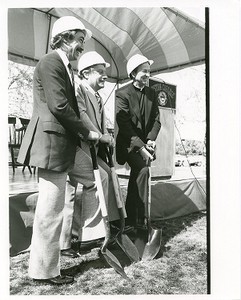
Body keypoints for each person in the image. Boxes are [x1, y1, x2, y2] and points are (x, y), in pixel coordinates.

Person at [17, 16, 100, 285]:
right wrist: (87, 132)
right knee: (49, 212)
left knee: (88, 183)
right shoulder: (51, 62)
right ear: (65, 38)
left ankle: (73, 240)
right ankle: (44, 272)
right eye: (79, 41)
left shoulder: (64, 66)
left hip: (64, 144)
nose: (81, 47)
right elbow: (60, 107)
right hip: (52, 145)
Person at [61, 51, 126, 254]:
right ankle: (89, 236)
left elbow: (101, 123)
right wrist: (99, 135)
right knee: (98, 179)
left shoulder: (97, 95)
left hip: (91, 148)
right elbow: (81, 115)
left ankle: (108, 226)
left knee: (109, 175)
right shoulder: (79, 89)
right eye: (100, 72)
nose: (105, 76)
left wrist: (107, 136)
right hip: (76, 148)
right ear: (86, 73)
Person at [115, 54, 161, 229]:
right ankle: (141, 220)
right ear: (133, 73)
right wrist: (141, 147)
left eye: (149, 71)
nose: (148, 75)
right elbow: (124, 125)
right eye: (144, 71)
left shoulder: (152, 93)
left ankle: (128, 219)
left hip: (145, 144)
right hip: (128, 143)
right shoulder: (122, 93)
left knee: (139, 174)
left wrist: (150, 140)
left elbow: (157, 120)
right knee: (142, 171)